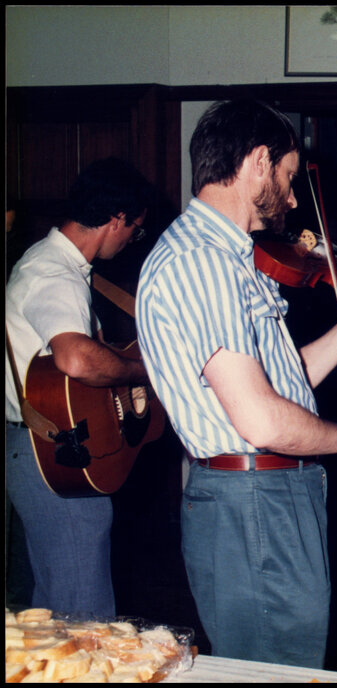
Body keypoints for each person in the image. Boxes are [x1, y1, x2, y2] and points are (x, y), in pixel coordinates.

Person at [135, 99, 337, 668]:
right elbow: (261, 419)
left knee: (285, 664)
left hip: (264, 497)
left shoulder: (228, 258)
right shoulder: (203, 262)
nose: (291, 199)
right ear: (258, 162)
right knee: (276, 670)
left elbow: (288, 381)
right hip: (254, 500)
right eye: (288, 177)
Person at [5, 157, 155, 618]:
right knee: (83, 614)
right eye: (135, 230)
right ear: (117, 219)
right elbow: (75, 359)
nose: (131, 240)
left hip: (44, 448)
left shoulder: (55, 264)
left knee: (57, 610)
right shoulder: (55, 272)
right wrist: (142, 372)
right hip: (48, 452)